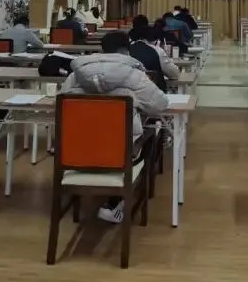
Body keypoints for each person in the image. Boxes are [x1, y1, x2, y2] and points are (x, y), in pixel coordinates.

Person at [60, 31, 168, 223]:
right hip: (118, 154)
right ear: (126, 50)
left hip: (77, 152)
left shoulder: (75, 76)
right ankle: (116, 203)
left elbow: (60, 108)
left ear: (102, 50)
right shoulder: (135, 76)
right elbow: (160, 105)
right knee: (152, 131)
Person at [128, 23, 180, 93]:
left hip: (130, 94)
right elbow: (174, 74)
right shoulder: (157, 51)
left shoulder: (126, 51)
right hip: (155, 93)